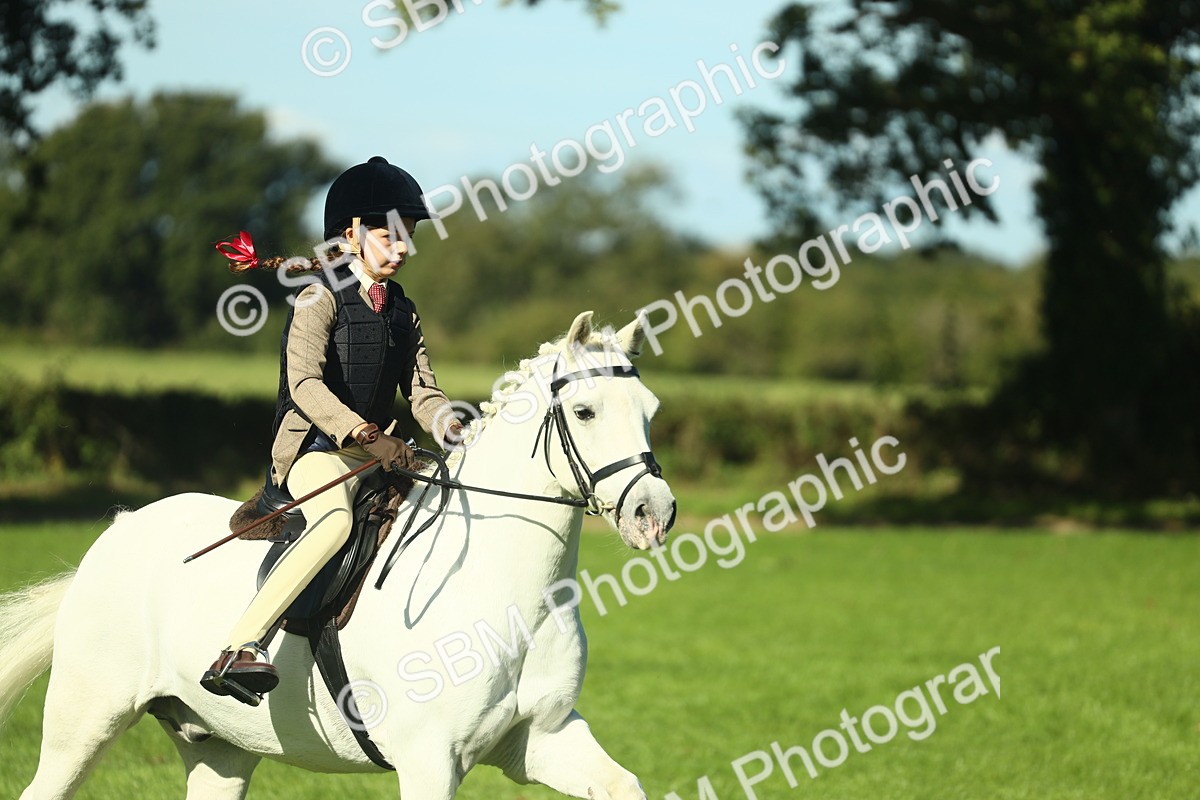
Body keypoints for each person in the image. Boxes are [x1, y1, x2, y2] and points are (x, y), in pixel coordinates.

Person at [202, 156, 464, 704]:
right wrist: (366, 435)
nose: (402, 248)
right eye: (390, 235)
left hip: (378, 455)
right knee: (334, 523)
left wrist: (457, 428)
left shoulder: (403, 311)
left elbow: (423, 393)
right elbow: (304, 384)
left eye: (409, 236)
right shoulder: (318, 297)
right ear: (351, 234)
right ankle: (240, 646)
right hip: (314, 453)